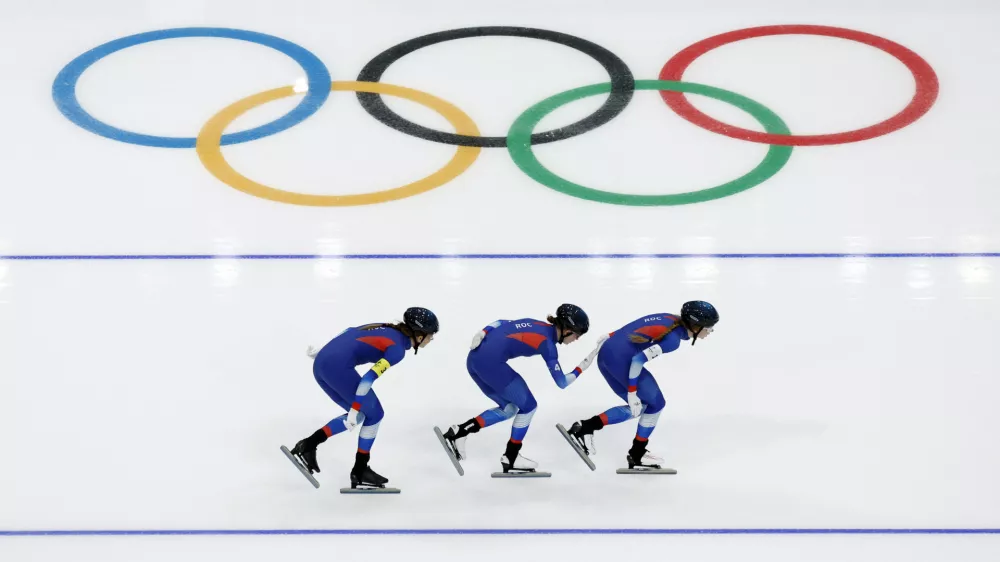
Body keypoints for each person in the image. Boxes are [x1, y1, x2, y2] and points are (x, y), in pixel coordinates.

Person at [288, 307, 439, 488]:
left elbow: (349, 332)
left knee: (361, 415)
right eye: (430, 335)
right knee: (375, 414)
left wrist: (325, 352)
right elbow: (368, 379)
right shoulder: (397, 350)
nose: (431, 339)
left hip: (321, 363)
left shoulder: (383, 326)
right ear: (419, 334)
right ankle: (360, 470)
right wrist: (355, 407)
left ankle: (308, 445)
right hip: (337, 368)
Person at [440, 304, 599, 474]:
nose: (577, 339)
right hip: (491, 365)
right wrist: (582, 367)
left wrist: (483, 332)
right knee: (529, 407)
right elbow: (561, 383)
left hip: (473, 360)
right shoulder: (548, 345)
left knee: (509, 409)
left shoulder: (537, 324)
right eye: (577, 334)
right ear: (567, 329)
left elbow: (501, 322)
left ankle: (460, 431)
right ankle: (511, 456)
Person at [562, 301, 719, 470]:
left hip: (606, 356)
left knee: (643, 406)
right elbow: (637, 360)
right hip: (620, 361)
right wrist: (632, 392)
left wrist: (611, 334)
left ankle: (585, 428)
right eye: (708, 327)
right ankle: (636, 454)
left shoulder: (669, 317)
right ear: (696, 326)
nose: (710, 331)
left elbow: (633, 326)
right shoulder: (672, 340)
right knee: (656, 404)